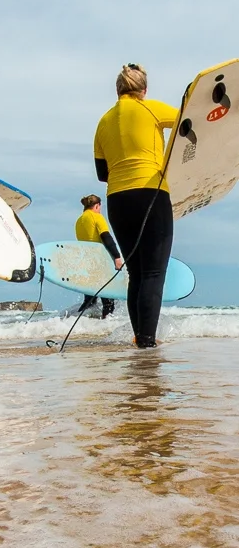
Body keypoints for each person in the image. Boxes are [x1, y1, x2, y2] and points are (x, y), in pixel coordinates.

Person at [94, 64, 178, 348]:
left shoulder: (103, 122)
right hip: (150, 193)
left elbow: (102, 173)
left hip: (117, 200)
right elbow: (189, 123)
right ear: (143, 90)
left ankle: (139, 339)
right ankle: (147, 343)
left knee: (137, 274)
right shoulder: (152, 108)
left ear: (118, 89)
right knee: (154, 273)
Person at [75, 194, 123, 319]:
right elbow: (106, 238)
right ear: (97, 205)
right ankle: (105, 327)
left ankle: (78, 323)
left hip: (86, 263)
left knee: (89, 300)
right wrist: (117, 257)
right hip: (98, 262)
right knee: (108, 300)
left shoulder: (79, 221)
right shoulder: (97, 217)